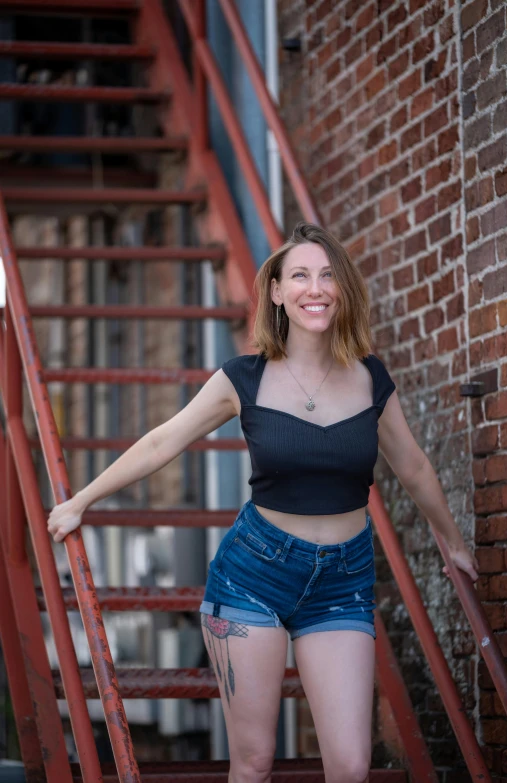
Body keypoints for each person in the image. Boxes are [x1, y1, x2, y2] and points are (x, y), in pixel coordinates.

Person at [48, 222, 479, 783]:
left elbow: (415, 466)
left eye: (328, 276)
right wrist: (80, 501)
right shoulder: (243, 379)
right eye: (300, 275)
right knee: (253, 763)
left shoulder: (371, 378)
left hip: (343, 580)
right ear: (276, 291)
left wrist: (453, 542)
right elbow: (163, 440)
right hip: (254, 577)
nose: (315, 288)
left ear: (343, 289)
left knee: (350, 767)